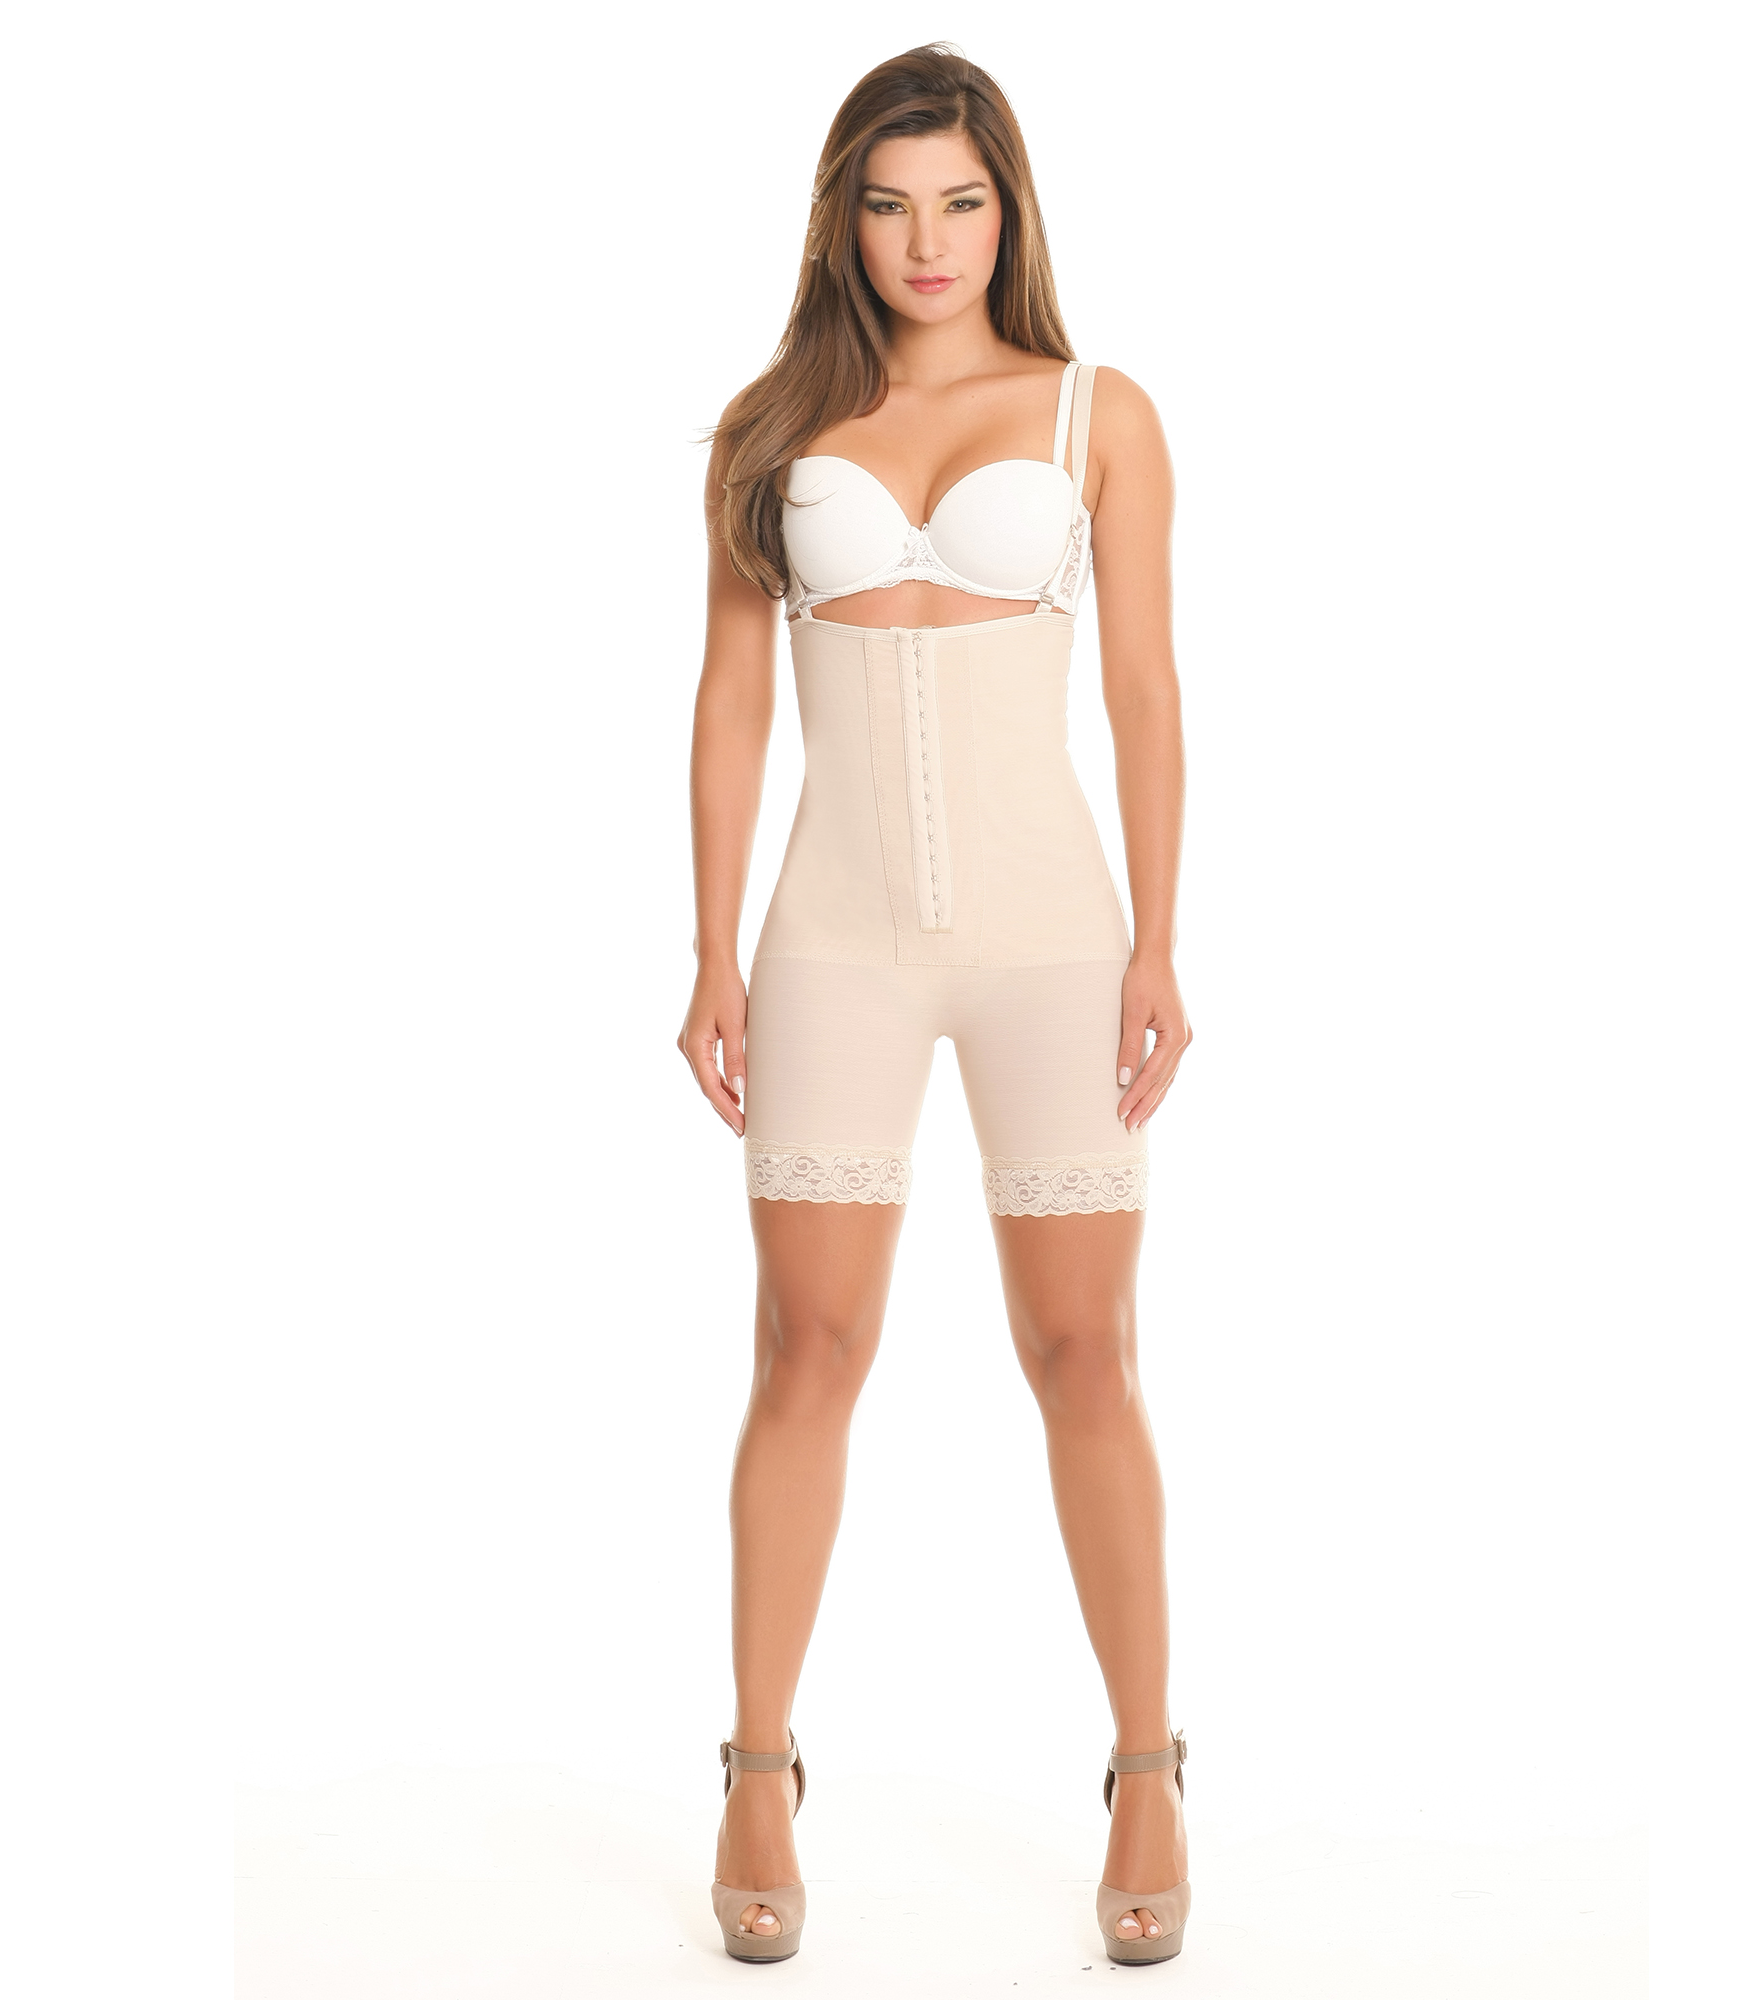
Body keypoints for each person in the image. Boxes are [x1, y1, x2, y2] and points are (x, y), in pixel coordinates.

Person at [678, 43, 1193, 1966]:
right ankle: (756, 1767)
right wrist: (711, 950)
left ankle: (1146, 1769)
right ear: (844, 220)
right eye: (891, 204)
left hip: (1055, 938)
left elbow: (1143, 687)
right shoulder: (769, 431)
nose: (928, 241)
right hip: (832, 938)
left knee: (1086, 1352)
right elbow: (732, 699)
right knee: (804, 1349)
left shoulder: (1092, 415)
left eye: (961, 202)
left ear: (1008, 211)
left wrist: (1159, 941)